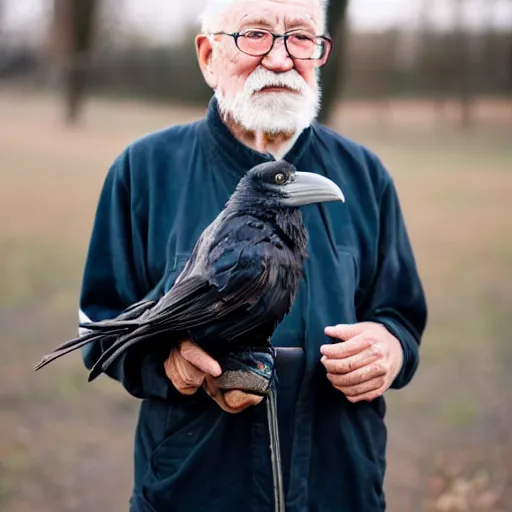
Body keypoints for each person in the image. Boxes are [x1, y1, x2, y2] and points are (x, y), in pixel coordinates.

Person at [78, 0, 428, 510]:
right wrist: (169, 360)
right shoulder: (144, 170)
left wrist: (389, 348)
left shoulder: (363, 175)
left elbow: (401, 314)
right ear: (208, 55)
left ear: (320, 52)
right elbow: (99, 324)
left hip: (341, 488)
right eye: (255, 35)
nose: (282, 60)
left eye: (302, 37)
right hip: (193, 491)